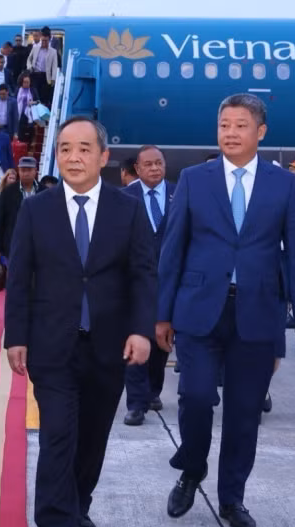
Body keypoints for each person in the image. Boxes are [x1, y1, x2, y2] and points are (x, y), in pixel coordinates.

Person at [5, 116, 155, 527]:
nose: (74, 157)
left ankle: (79, 505)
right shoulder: (37, 209)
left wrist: (142, 329)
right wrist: (16, 336)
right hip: (52, 345)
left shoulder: (127, 209)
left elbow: (145, 274)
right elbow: (19, 277)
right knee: (57, 437)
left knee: (92, 438)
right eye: (66, 148)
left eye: (84, 148)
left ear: (103, 157)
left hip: (109, 345)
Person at [158, 93, 295, 527]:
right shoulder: (193, 179)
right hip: (199, 310)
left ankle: (232, 497)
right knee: (197, 396)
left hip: (258, 311)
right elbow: (172, 249)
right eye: (224, 125)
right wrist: (161, 314)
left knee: (244, 412)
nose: (230, 133)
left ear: (260, 132)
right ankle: (192, 467)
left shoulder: (283, 186)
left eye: (240, 126)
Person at [122, 146, 176, 426]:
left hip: (170, 284)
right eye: (149, 165)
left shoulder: (180, 194)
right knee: (135, 338)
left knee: (161, 343)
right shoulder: (125, 197)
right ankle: (136, 404)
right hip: (135, 284)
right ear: (138, 170)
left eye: (159, 163)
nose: (155, 168)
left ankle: (153, 391)